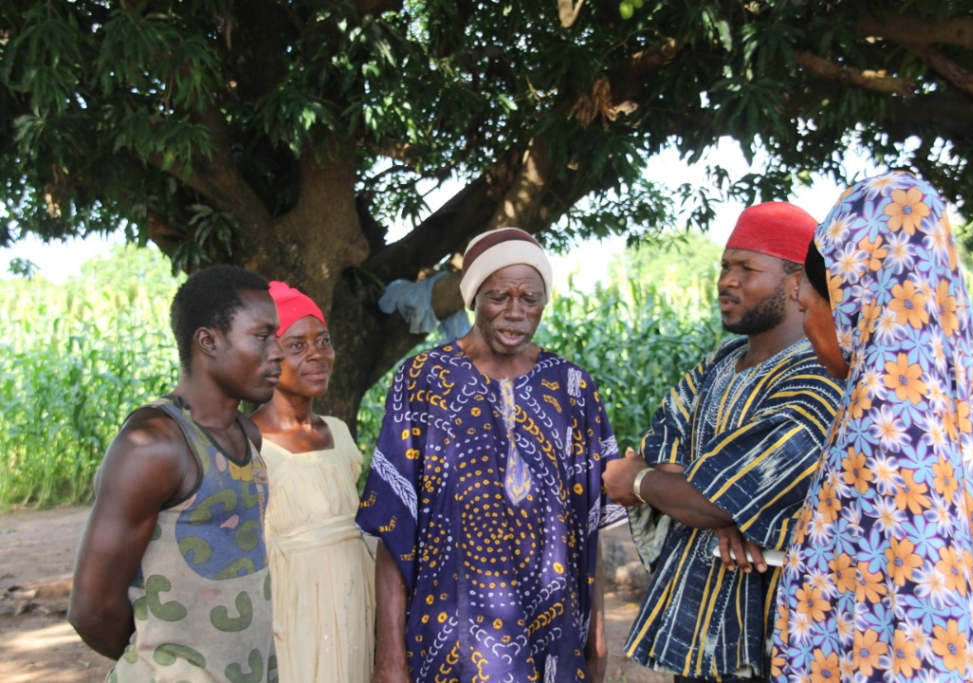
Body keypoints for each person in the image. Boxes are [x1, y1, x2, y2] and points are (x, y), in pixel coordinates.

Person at [771, 172, 973, 681]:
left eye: (806, 306)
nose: (806, 325)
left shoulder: (884, 434)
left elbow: (922, 626)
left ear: (851, 302)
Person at [356, 227, 626, 683]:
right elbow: (394, 524)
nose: (516, 313)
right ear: (473, 296)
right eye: (500, 296)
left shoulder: (572, 387)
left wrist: (595, 632)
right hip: (451, 633)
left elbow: (591, 521)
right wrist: (389, 654)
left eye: (531, 299)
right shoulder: (425, 381)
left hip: (553, 633)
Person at [602, 202, 843, 682]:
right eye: (725, 266)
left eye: (746, 268)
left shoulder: (817, 380)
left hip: (775, 638)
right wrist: (717, 505)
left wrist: (645, 481)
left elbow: (700, 493)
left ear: (797, 282)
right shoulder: (722, 361)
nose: (726, 280)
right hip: (702, 633)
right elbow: (664, 438)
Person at [68, 266, 282, 683]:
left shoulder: (247, 435)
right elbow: (91, 611)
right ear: (208, 341)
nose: (277, 352)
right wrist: (165, 662)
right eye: (261, 337)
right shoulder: (154, 445)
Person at [250, 281, 374, 683]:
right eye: (297, 345)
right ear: (269, 355)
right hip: (292, 612)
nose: (317, 354)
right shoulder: (249, 444)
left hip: (355, 602)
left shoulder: (338, 432)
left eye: (323, 341)